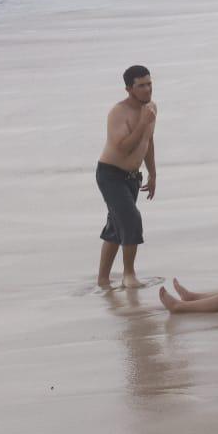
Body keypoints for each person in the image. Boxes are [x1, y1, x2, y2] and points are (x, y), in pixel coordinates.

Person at [96, 65, 158, 289]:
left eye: (149, 84)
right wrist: (142, 123)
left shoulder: (152, 108)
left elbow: (148, 142)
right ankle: (128, 275)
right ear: (129, 89)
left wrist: (152, 173)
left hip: (133, 177)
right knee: (131, 220)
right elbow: (123, 148)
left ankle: (103, 280)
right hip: (111, 175)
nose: (147, 89)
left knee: (116, 225)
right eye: (141, 86)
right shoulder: (118, 113)